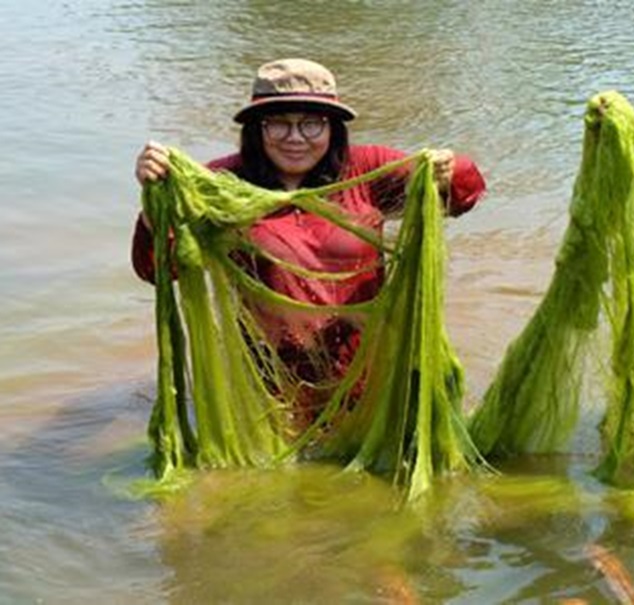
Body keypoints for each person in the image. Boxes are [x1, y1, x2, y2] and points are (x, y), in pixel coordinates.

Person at [132, 58, 487, 422]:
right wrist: (153, 203)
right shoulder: (222, 183)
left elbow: (464, 195)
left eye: (311, 123)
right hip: (266, 380)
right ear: (257, 129)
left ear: (333, 127)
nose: (296, 138)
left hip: (363, 371)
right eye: (279, 124)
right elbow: (159, 267)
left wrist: (448, 167)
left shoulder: (366, 169)